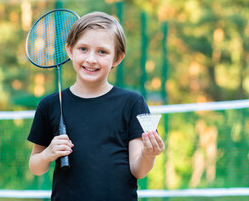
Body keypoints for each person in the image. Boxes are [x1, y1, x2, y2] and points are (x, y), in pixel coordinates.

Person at [27, 11, 165, 201]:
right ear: (69, 50)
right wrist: (48, 154)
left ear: (117, 58)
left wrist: (148, 155)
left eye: (102, 52)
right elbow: (35, 166)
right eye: (83, 49)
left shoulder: (132, 103)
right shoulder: (49, 105)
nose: (91, 59)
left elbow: (138, 170)